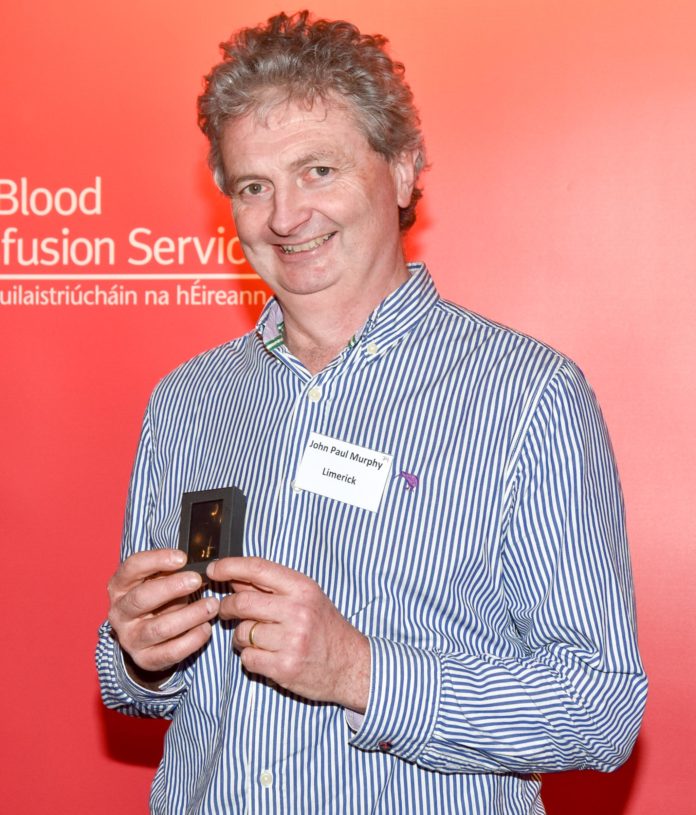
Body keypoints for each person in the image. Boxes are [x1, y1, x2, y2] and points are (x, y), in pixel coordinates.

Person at [97, 11, 647, 814]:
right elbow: (136, 686)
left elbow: (600, 708)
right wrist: (141, 655)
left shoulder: (528, 396)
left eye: (317, 170)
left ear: (400, 169)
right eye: (255, 186)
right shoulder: (188, 399)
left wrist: (361, 672)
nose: (285, 217)